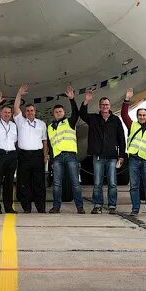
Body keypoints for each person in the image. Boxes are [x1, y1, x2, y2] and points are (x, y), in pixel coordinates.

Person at [78, 89, 126, 214]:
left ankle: (112, 206)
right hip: (98, 156)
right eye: (103, 105)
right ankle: (98, 205)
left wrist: (121, 155)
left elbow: (121, 138)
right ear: (100, 106)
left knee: (112, 183)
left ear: (109, 106)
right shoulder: (93, 118)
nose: (105, 107)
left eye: (107, 105)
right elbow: (82, 114)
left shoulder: (115, 120)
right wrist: (86, 101)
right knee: (97, 183)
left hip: (112, 157)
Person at [48, 86, 84, 214]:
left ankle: (80, 207)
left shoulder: (70, 122)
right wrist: (51, 160)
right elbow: (52, 145)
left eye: (60, 112)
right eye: (56, 112)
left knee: (75, 183)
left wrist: (72, 99)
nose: (58, 113)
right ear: (54, 114)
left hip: (70, 156)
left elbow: (76, 113)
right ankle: (56, 207)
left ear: (64, 112)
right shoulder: (50, 127)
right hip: (57, 158)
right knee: (57, 184)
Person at [121, 88, 146, 216]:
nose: (142, 117)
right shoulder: (133, 125)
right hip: (134, 159)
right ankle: (135, 209)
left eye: (144, 115)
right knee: (134, 186)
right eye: (140, 115)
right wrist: (127, 99)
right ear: (137, 116)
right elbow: (124, 115)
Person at [13, 84, 47, 213]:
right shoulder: (20, 121)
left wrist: (45, 155)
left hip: (37, 155)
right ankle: (26, 206)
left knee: (39, 182)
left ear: (35, 111)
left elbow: (44, 141)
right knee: (24, 182)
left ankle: (40, 207)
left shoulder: (41, 124)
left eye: (32, 110)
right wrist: (19, 94)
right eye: (27, 111)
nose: (30, 112)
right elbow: (16, 108)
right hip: (24, 156)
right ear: (25, 112)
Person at [0, 91, 18, 214]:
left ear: (11, 114)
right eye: (5, 112)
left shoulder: (13, 125)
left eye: (9, 113)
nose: (7, 114)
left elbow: (15, 141)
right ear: (0, 113)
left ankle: (8, 207)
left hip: (11, 154)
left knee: (9, 182)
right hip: (0, 154)